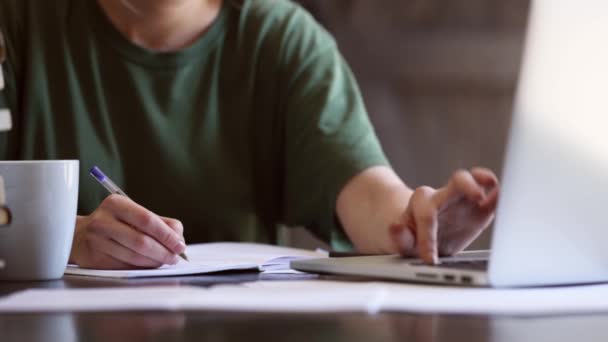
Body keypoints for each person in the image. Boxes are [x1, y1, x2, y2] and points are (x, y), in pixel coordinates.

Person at [0, 0, 499, 269]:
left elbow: (366, 190)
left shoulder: (281, 41)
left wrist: (415, 222)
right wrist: (70, 236)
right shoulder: (17, 24)